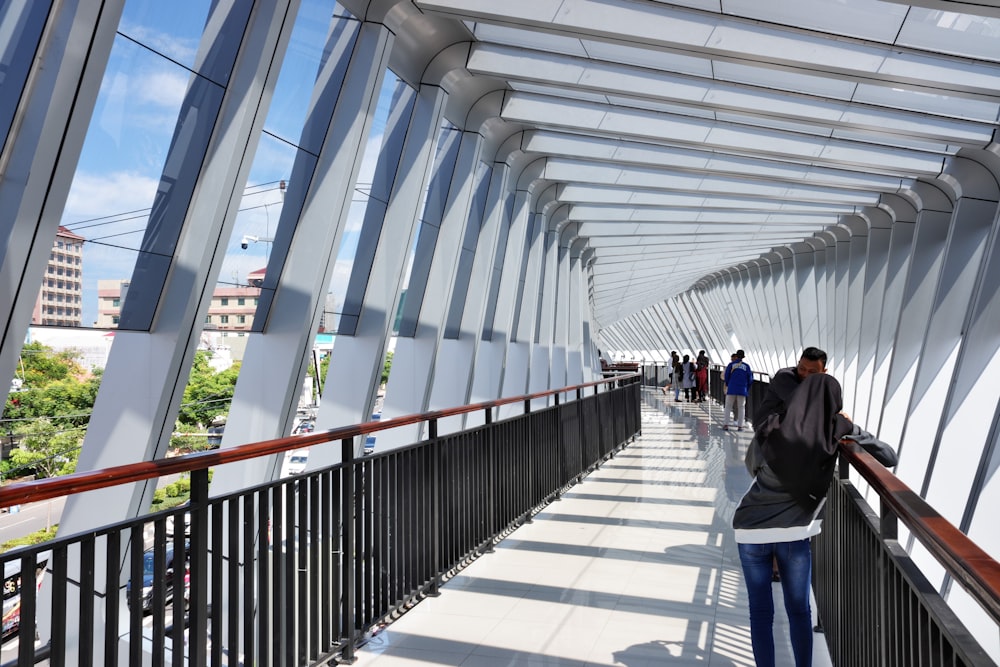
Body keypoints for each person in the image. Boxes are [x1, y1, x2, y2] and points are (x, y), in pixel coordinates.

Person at [733, 373, 897, 667]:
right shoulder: (835, 428)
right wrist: (848, 425)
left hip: (750, 529)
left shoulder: (773, 425)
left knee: (760, 612)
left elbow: (752, 465)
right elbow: (888, 456)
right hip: (794, 533)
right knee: (799, 611)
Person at [752, 347, 828, 428]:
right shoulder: (785, 377)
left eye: (812, 372)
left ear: (823, 372)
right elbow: (803, 404)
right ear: (798, 363)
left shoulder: (821, 385)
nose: (806, 374)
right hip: (767, 428)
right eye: (802, 369)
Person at [723, 350, 752, 430]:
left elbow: (726, 376)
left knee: (728, 406)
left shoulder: (731, 365)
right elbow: (750, 379)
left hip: (732, 388)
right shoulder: (746, 366)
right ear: (743, 357)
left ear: (736, 356)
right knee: (741, 407)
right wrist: (747, 388)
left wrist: (729, 384)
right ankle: (740, 426)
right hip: (742, 389)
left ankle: (726, 424)